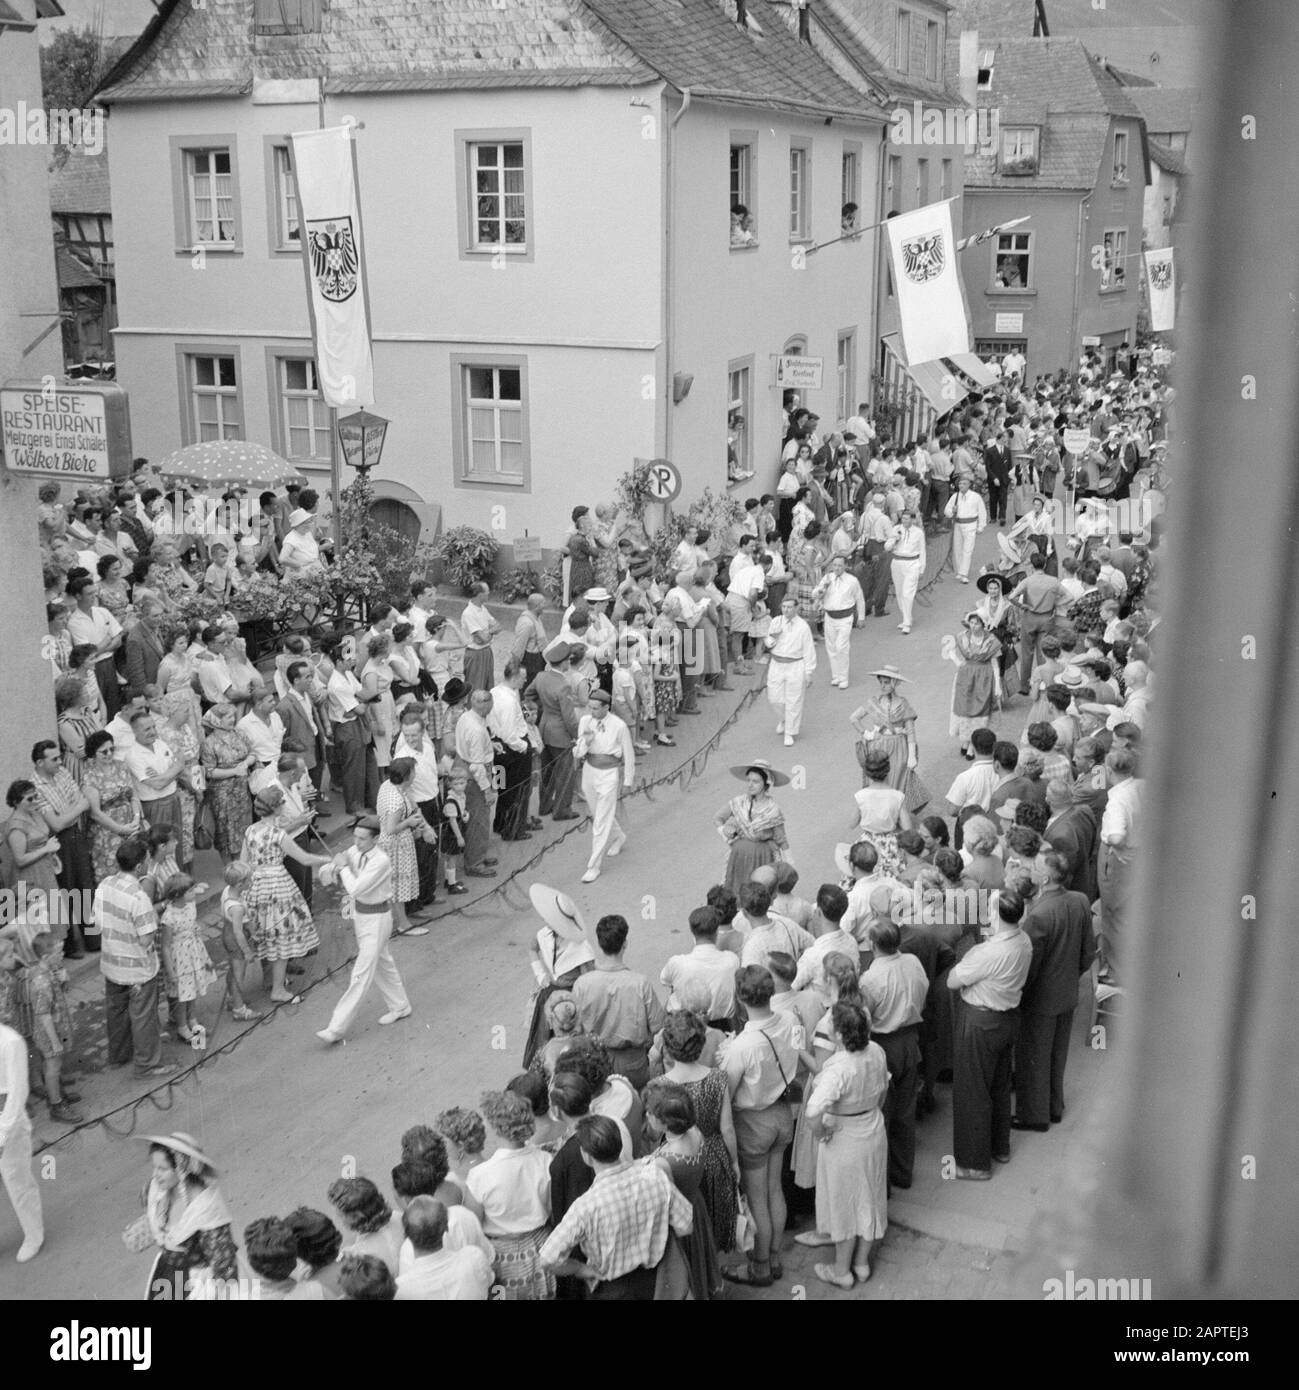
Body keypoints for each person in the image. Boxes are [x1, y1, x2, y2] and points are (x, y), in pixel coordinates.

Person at [539, 1114, 694, 1300]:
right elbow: (686, 1226)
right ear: (619, 1145)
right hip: (654, 1282)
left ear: (587, 1156)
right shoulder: (655, 1177)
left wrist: (581, 1268)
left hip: (609, 1288)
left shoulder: (585, 1206)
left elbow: (548, 1258)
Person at [721, 965, 804, 1287]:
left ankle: (760, 1266)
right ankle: (776, 1257)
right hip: (783, 1114)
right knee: (775, 1190)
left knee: (757, 1199)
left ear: (741, 998)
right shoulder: (790, 1020)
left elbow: (726, 1092)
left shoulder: (744, 1045)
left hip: (753, 1123)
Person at [797, 1001, 889, 1287]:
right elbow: (884, 1087)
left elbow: (813, 1111)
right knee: (869, 1198)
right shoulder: (876, 1051)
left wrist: (820, 1132)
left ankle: (841, 1271)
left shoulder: (837, 1068)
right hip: (872, 1129)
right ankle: (861, 1263)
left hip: (844, 1138)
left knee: (844, 1204)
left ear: (838, 1034)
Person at [947, 891, 1033, 1179]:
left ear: (996, 916)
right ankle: (1000, 1146)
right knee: (998, 1085)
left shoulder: (986, 952)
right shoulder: (1024, 941)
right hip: (1008, 1018)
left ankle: (974, 1163)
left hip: (980, 1022)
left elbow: (952, 980)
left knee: (972, 1091)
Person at [1014, 852, 1096, 1130]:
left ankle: (1034, 1116)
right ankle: (1054, 1106)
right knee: (1058, 1055)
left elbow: (1030, 966)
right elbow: (1088, 951)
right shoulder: (1081, 901)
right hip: (1067, 991)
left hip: (1041, 998)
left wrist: (1021, 995)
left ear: (1045, 878)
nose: (1032, 872)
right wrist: (1072, 976)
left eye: (1036, 869)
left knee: (1034, 1057)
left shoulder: (1038, 915)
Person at [316, 815, 412, 1043]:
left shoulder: (381, 861)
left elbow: (356, 888)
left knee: (361, 972)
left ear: (376, 838)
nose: (357, 842)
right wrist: (329, 869)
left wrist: (341, 868)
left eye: (362, 839)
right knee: (382, 963)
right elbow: (332, 870)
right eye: (355, 837)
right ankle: (401, 1006)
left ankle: (336, 1028)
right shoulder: (354, 851)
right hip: (361, 916)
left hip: (378, 918)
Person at [94, 838, 178, 1079]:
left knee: (116, 1013)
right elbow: (146, 939)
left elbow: (97, 922)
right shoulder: (139, 897)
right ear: (140, 866)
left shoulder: (105, 884)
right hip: (138, 969)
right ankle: (147, 1064)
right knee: (143, 1017)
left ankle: (119, 1056)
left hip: (111, 962)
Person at [658, 1011, 741, 1253]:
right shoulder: (717, 1078)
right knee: (716, 1220)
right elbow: (727, 1128)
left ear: (669, 1047)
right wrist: (734, 1162)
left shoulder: (661, 1085)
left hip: (676, 1160)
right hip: (713, 1155)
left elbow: (654, 1132)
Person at [242, 785, 328, 1006]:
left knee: (264, 931)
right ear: (276, 808)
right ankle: (278, 990)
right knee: (281, 935)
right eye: (282, 802)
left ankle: (269, 979)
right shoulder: (278, 834)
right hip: (278, 886)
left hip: (256, 885)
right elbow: (305, 858)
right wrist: (329, 860)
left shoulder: (250, 830)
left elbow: (243, 863)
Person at [464, 1091, 554, 1299]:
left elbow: (472, 1224)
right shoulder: (545, 1161)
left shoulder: (480, 1175)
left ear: (496, 1127)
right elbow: (551, 1208)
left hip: (500, 1255)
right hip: (541, 1245)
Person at [860, 920, 928, 1190]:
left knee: (882, 1114)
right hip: (910, 1039)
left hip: (883, 1044)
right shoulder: (913, 962)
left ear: (873, 944)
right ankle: (902, 1173)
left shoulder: (870, 979)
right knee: (905, 1111)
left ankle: (882, 1181)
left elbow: (865, 1017)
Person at [641, 1080, 723, 1299]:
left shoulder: (665, 1161)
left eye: (650, 1113)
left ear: (665, 1123)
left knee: (683, 1269)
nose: (647, 1116)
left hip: (679, 1220)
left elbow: (665, 1198)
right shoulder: (695, 1132)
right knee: (700, 1259)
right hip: (696, 1204)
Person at [136, 1133, 238, 1300]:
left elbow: (223, 1266)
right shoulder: (157, 1189)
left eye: (162, 1169)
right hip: (168, 1275)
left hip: (199, 1283)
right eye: (154, 1167)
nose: (156, 1175)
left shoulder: (206, 1210)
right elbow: (158, 1218)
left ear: (181, 1168)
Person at [571, 914, 665, 1091]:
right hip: (633, 1062)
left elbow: (575, 1029)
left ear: (599, 944)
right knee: (634, 1107)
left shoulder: (582, 984)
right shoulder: (640, 983)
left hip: (594, 1060)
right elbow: (658, 1026)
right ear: (625, 944)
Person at [573, 687, 634, 884]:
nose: (592, 712)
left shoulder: (619, 725)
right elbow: (577, 753)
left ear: (607, 707)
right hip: (590, 772)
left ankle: (594, 866)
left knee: (600, 822)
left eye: (596, 708)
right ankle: (618, 836)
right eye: (590, 707)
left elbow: (629, 754)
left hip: (609, 774)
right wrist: (586, 742)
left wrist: (628, 782)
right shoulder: (585, 721)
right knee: (596, 813)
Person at [850, 665, 930, 814]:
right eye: (881, 682)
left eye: (886, 682)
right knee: (877, 780)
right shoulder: (873, 702)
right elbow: (854, 718)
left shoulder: (903, 704)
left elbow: (911, 731)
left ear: (894, 683)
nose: (883, 686)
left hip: (899, 747)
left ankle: (893, 814)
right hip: (878, 746)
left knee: (897, 782)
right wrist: (866, 734)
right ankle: (877, 813)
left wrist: (912, 755)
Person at [24, 932, 82, 1123]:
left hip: (57, 1028)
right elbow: (44, 1015)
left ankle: (58, 1094)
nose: (63, 954)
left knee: (54, 1066)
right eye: (59, 952)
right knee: (53, 1066)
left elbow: (60, 993)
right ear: (46, 957)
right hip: (50, 1033)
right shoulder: (41, 982)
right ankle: (56, 1105)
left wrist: (65, 979)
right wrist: (55, 1041)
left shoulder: (51, 971)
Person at [0, 1018, 44, 1262]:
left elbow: (17, 1092)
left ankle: (33, 1236)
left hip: (8, 1121)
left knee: (17, 1181)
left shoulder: (10, 1042)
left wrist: (3, 1132)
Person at [156, 874, 219, 1043]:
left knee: (192, 989)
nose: (194, 893)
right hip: (179, 959)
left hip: (194, 953)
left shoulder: (191, 906)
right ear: (177, 895)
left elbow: (192, 925)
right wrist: (170, 971)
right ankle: (182, 1026)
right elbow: (166, 946)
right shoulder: (168, 917)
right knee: (182, 994)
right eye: (190, 891)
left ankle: (193, 1020)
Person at [1097, 746, 1142, 981]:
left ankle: (1117, 971)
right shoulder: (1141, 787)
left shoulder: (1117, 801)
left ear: (1108, 770)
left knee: (1114, 913)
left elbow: (1115, 835)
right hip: (1140, 853)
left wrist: (1118, 846)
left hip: (1117, 860)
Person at [716, 761, 791, 896]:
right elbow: (718, 818)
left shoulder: (773, 810)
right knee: (735, 893)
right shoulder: (739, 802)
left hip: (762, 858)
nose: (750, 785)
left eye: (755, 781)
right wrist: (724, 830)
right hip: (739, 856)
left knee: (759, 894)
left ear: (765, 783)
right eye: (748, 780)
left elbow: (781, 839)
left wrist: (789, 863)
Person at [395, 1198, 492, 1301]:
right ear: (446, 1227)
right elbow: (490, 1282)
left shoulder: (401, 1289)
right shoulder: (474, 1258)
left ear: (406, 1234)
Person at [659, 907, 740, 1028]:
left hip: (683, 1027)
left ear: (692, 932)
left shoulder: (677, 963)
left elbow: (665, 980)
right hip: (723, 1025)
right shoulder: (732, 960)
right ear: (716, 932)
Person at [199, 704, 255, 864]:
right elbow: (209, 771)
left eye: (233, 716)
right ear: (217, 720)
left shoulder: (239, 733)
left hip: (242, 790)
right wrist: (234, 772)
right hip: (222, 795)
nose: (233, 719)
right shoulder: (209, 743)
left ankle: (245, 862)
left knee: (244, 827)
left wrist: (246, 764)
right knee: (226, 832)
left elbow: (252, 753)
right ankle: (230, 867)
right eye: (228, 717)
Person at [375, 759, 423, 935]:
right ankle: (403, 924)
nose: (415, 774)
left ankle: (392, 921)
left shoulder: (388, 786)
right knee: (398, 885)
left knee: (393, 884)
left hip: (393, 843)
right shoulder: (395, 799)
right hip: (396, 845)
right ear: (407, 775)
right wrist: (409, 822)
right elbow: (390, 828)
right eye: (413, 771)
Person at [489, 660, 535, 841]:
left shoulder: (495, 691)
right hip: (513, 749)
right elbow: (509, 733)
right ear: (514, 678)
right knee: (517, 790)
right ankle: (514, 829)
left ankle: (500, 823)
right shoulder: (509, 701)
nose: (525, 681)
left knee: (503, 788)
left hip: (498, 748)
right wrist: (523, 746)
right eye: (523, 678)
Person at [946, 612, 1003, 755]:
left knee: (979, 710)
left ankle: (972, 744)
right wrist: (955, 659)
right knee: (965, 708)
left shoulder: (991, 640)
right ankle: (966, 740)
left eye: (977, 623)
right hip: (965, 678)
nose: (973, 626)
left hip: (984, 678)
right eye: (971, 622)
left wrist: (998, 686)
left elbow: (995, 664)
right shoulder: (962, 637)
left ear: (983, 624)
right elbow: (955, 657)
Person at [764, 595, 816, 748]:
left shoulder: (803, 626)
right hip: (777, 664)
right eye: (784, 607)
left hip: (795, 665)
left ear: (796, 608)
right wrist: (774, 637)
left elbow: (809, 649)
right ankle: (784, 718)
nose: (786, 610)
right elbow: (767, 642)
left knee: (794, 700)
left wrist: (809, 672)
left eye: (789, 607)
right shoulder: (775, 621)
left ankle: (790, 732)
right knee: (774, 698)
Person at [850, 753, 912, 879]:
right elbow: (908, 827)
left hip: (867, 842)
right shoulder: (897, 796)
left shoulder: (861, 796)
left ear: (867, 773)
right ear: (888, 771)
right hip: (890, 843)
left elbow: (852, 823)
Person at [812, 554, 865, 688]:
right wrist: (822, 589)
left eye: (840, 565)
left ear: (846, 566)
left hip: (846, 618)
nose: (836, 568)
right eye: (834, 565)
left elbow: (859, 599)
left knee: (842, 647)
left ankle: (843, 677)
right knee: (831, 647)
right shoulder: (827, 578)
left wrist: (861, 617)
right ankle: (836, 676)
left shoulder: (852, 581)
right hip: (829, 617)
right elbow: (815, 593)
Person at [884, 508, 927, 635]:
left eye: (907, 519)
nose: (904, 521)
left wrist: (922, 569)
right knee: (899, 592)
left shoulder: (918, 532)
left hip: (912, 563)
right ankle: (906, 617)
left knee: (908, 593)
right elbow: (886, 547)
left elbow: (922, 551)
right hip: (897, 562)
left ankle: (907, 623)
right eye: (903, 518)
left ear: (912, 520)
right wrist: (894, 540)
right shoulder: (896, 529)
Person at [944, 475, 989, 583]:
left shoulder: (975, 497)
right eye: (960, 484)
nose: (961, 486)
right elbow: (947, 511)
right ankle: (960, 571)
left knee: (967, 549)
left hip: (970, 525)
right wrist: (952, 512)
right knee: (958, 549)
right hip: (958, 525)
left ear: (969, 485)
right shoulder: (955, 496)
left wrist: (981, 526)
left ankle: (964, 573)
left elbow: (982, 511)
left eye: (964, 483)